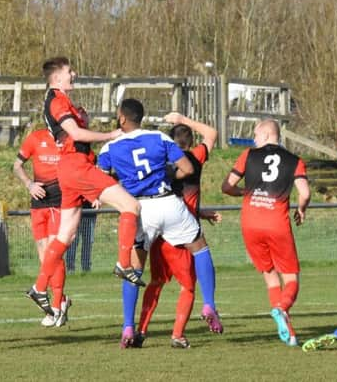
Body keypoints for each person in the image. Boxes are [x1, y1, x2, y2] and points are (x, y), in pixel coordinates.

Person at [25, 56, 142, 325]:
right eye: (69, 72)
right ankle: (124, 263)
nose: (74, 74)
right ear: (56, 79)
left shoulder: (63, 102)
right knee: (131, 206)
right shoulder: (57, 99)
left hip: (69, 170)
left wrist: (83, 120)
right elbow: (75, 135)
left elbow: (74, 132)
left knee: (66, 233)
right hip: (76, 167)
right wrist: (111, 135)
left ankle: (39, 288)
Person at [97, 99, 222, 347]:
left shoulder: (109, 148)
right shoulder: (159, 138)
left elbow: (101, 181)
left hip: (141, 209)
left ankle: (128, 328)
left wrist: (122, 184)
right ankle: (209, 304)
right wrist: (165, 175)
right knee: (200, 247)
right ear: (141, 117)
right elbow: (186, 169)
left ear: (122, 118)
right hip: (168, 203)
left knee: (134, 270)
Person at [133, 112, 223, 348]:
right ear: (191, 142)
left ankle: (140, 330)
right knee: (188, 286)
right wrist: (183, 119)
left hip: (159, 232)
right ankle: (177, 334)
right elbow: (212, 133)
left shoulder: (162, 164)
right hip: (184, 234)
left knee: (156, 282)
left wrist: (202, 212)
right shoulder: (195, 158)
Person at [222, 118, 311, 347]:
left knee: (270, 276)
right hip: (277, 224)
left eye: (255, 134)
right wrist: (301, 209)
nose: (254, 139)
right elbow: (305, 193)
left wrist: (245, 191)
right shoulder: (295, 161)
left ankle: (289, 333)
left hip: (250, 224)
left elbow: (226, 186)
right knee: (291, 278)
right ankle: (281, 308)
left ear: (267, 135)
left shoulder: (248, 155)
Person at [13, 125, 70, 327]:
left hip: (59, 203)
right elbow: (17, 165)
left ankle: (55, 308)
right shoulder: (35, 138)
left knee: (54, 254)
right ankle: (61, 302)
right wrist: (30, 185)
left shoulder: (69, 139)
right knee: (44, 258)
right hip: (38, 205)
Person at [66, 202, 97, 273]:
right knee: (73, 242)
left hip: (90, 214)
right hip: (74, 214)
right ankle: (70, 269)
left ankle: (86, 269)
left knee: (88, 242)